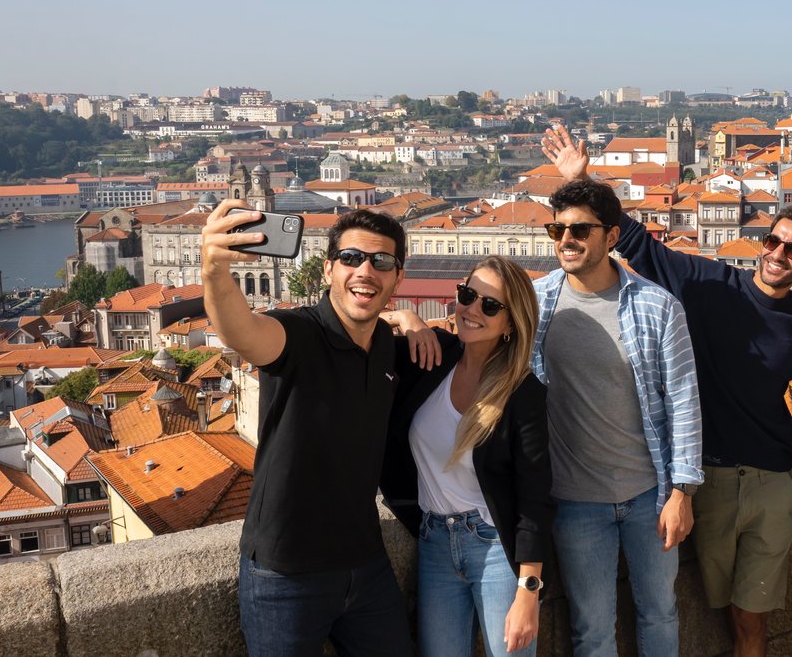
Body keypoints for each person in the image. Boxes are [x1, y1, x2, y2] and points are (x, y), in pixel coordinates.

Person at [540, 125, 792, 656]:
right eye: (772, 241)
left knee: (748, 620)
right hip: (705, 477)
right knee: (717, 614)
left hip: (771, 479)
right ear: (762, 245)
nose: (779, 253)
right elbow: (632, 240)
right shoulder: (708, 284)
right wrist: (582, 178)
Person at [201, 203, 414, 656]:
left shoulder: (386, 350)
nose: (366, 271)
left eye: (382, 262)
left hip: (366, 563)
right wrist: (215, 271)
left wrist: (410, 322)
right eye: (352, 258)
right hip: (286, 573)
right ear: (328, 269)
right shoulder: (297, 333)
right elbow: (242, 332)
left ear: (398, 278)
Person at [532, 178, 703, 657]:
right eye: (558, 229)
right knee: (592, 628)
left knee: (661, 613)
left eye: (581, 230)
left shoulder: (656, 305)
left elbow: (684, 401)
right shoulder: (535, 303)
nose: (567, 239)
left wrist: (682, 493)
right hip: (573, 501)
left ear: (611, 236)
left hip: (649, 494)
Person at [379, 256, 555, 657]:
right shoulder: (431, 356)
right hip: (434, 542)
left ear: (512, 323)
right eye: (468, 295)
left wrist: (529, 591)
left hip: (494, 549)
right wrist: (403, 315)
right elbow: (353, 334)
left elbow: (535, 497)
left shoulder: (523, 393)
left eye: (490, 306)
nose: (473, 310)